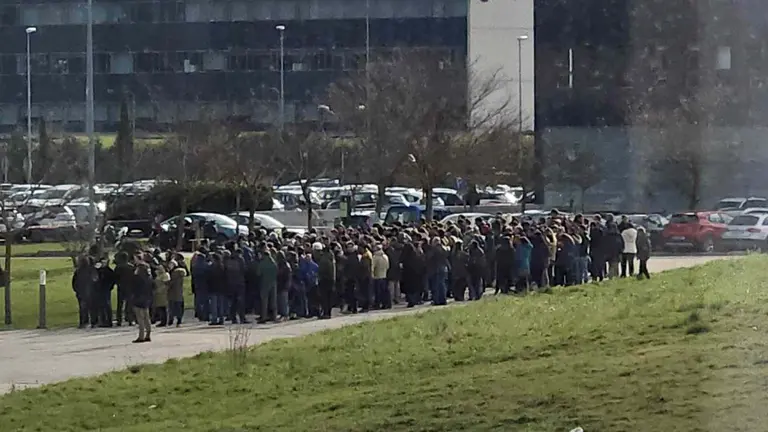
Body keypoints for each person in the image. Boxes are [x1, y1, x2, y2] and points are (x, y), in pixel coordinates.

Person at [72, 256, 98, 329]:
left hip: (81, 292)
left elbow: (74, 282)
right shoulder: (92, 270)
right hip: (91, 292)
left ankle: (83, 322)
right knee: (92, 308)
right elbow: (95, 280)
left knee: (83, 308)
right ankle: (94, 322)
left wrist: (76, 290)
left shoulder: (78, 271)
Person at [132, 262, 154, 343]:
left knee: (140, 318)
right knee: (146, 317)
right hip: (147, 297)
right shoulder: (149, 277)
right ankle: (148, 334)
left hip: (138, 298)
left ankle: (141, 336)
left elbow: (133, 288)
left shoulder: (137, 278)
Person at [314, 242, 336, 319]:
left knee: (325, 297)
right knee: (329, 297)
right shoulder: (331, 258)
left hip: (324, 280)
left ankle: (326, 313)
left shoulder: (324, 259)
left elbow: (321, 270)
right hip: (331, 279)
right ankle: (328, 313)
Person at [113, 252, 135, 326]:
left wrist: (118, 283)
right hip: (130, 287)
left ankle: (119, 320)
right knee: (129, 304)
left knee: (120, 304)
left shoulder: (118, 267)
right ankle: (130, 319)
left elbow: (115, 277)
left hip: (121, 286)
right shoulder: (131, 267)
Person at [258, 248, 278, 323]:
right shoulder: (274, 263)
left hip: (264, 283)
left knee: (264, 301)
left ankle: (263, 317)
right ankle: (274, 316)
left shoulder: (262, 263)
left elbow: (258, 273)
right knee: (273, 301)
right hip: (273, 283)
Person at [167, 260, 187, 327]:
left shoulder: (174, 273)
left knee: (172, 307)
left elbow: (171, 283)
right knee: (179, 308)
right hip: (179, 293)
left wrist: (166, 284)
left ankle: (171, 320)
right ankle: (178, 320)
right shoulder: (179, 274)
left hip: (173, 293)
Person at [372, 244, 390, 309]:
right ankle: (386, 304)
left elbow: (372, 267)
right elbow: (388, 266)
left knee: (377, 292)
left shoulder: (375, 257)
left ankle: (377, 305)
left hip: (377, 276)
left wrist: (372, 275)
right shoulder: (385, 256)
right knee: (384, 291)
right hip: (384, 275)